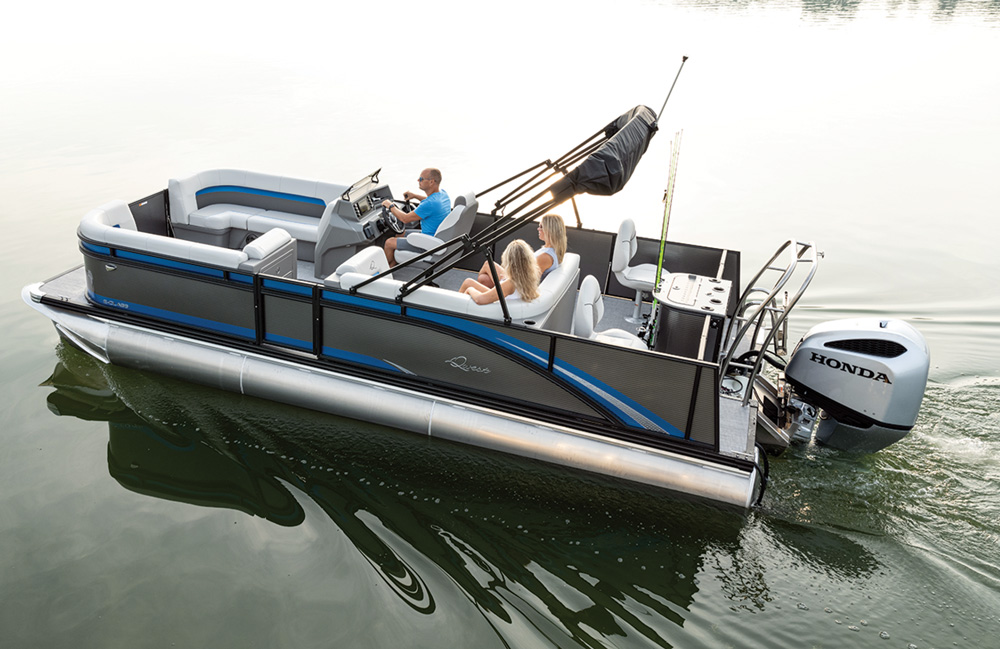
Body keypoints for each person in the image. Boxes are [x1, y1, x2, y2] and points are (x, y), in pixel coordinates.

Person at [382, 168, 451, 266]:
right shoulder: (443, 194)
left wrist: (390, 205)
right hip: (435, 237)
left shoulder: (430, 204)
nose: (418, 180)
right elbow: (429, 200)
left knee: (389, 243)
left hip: (427, 243)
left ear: (431, 182)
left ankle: (384, 272)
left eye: (421, 179)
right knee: (401, 233)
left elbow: (404, 219)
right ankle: (393, 265)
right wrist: (414, 196)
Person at [476, 213, 567, 287]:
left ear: (549, 230)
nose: (538, 228)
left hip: (516, 286)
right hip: (517, 278)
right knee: (483, 279)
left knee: (487, 265)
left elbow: (530, 283)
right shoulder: (550, 250)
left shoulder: (545, 257)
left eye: (541, 226)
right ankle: (490, 297)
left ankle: (493, 297)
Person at [461, 240, 540, 305]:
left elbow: (480, 300)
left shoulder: (510, 283)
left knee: (468, 284)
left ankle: (453, 310)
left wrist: (470, 289)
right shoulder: (529, 277)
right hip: (504, 301)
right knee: (471, 281)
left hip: (497, 307)